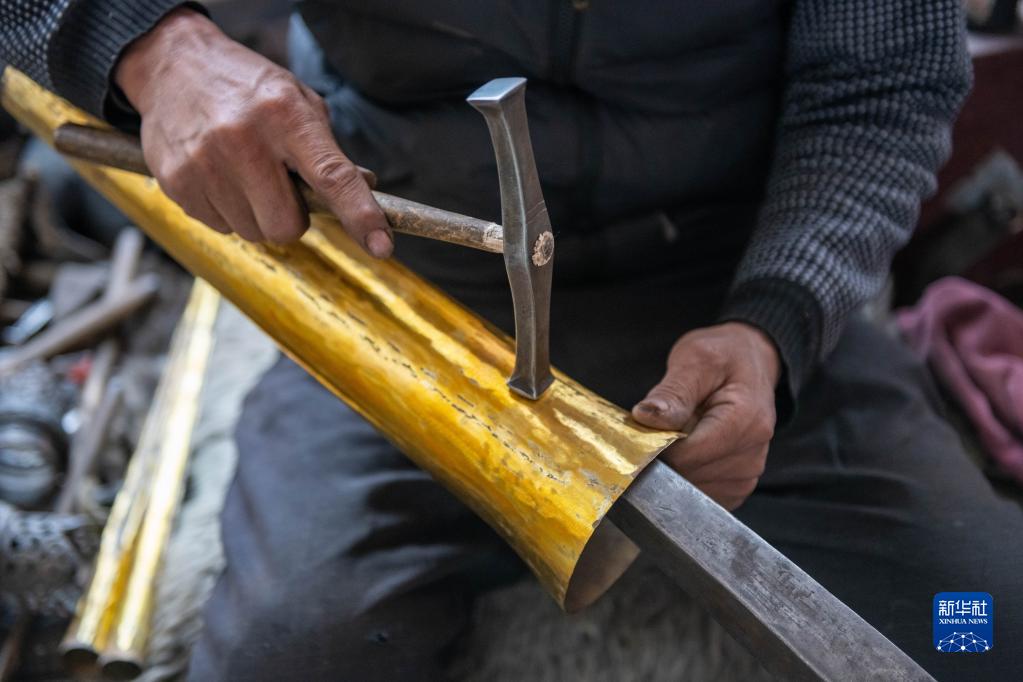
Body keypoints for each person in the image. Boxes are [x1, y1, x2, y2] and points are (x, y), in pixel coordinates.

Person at [2, 2, 1020, 680]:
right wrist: (151, 44)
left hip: (734, 281)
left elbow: (882, 83)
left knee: (983, 619)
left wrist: (780, 321)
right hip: (405, 292)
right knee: (291, 652)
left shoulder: (768, 312)